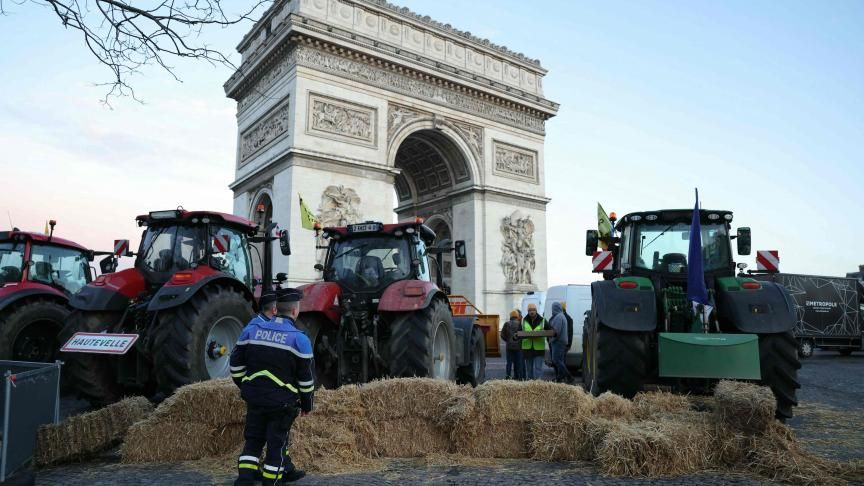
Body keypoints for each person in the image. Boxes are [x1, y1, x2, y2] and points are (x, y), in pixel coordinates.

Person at [230, 288, 314, 485]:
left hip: (255, 399)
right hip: (282, 404)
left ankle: (244, 481)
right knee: (276, 447)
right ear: (294, 311)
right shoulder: (299, 339)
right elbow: (306, 380)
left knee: (253, 442)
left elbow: (235, 366)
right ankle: (271, 482)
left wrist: (247, 387)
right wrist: (307, 404)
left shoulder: (251, 330)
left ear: (276, 309)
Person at [521, 303, 552, 380]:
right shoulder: (523, 321)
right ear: (528, 311)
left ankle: (538, 385)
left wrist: (553, 333)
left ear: (536, 311)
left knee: (538, 369)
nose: (532, 312)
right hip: (527, 349)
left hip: (539, 349)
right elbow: (518, 332)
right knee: (529, 370)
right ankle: (530, 385)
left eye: (533, 310)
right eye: (530, 310)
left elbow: (550, 330)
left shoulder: (543, 320)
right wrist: (516, 337)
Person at [548, 302, 574, 384]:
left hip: (558, 342)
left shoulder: (558, 317)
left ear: (554, 308)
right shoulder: (561, 316)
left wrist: (550, 338)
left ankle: (569, 376)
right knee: (560, 361)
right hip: (561, 342)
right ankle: (559, 378)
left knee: (556, 360)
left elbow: (556, 331)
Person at [499, 310, 524, 380]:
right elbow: (523, 335)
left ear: (510, 316)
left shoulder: (506, 324)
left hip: (509, 347)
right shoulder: (520, 324)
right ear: (517, 316)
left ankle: (508, 377)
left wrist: (507, 340)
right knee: (518, 363)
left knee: (509, 363)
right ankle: (518, 377)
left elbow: (502, 335)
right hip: (518, 347)